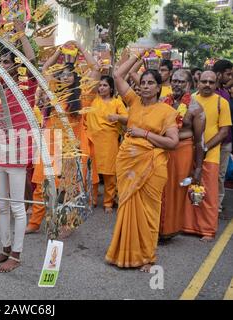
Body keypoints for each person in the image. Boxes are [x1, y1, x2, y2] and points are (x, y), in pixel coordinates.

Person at [105, 49, 179, 272]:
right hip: (128, 164)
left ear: (159, 87)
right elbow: (118, 76)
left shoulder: (167, 111)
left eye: (150, 83)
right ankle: (124, 253)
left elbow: (173, 142)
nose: (145, 86)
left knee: (148, 212)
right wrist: (137, 57)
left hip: (152, 167)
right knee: (127, 208)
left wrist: (144, 134)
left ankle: (147, 257)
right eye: (143, 82)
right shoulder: (133, 102)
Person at [25, 40, 100, 234]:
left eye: (69, 75)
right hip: (50, 147)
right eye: (62, 75)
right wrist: (59, 51)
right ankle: (34, 223)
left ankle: (68, 223)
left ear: (76, 79)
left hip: (71, 150)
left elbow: (96, 68)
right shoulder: (52, 93)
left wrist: (81, 48)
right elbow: (46, 67)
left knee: (69, 189)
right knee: (42, 186)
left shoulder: (82, 96)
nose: (65, 77)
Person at [0, 19, 38, 272]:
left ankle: (16, 254)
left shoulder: (25, 85)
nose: (3, 66)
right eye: (1, 62)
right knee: (1, 205)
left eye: (7, 62)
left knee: (16, 205)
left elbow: (31, 60)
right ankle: (4, 249)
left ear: (16, 68)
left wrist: (20, 32)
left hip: (16, 149)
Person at [182, 71, 232, 241]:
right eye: (204, 81)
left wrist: (205, 147)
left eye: (211, 82)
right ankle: (187, 226)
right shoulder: (190, 99)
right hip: (189, 153)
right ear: (198, 82)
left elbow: (224, 131)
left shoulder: (222, 102)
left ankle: (208, 230)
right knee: (188, 189)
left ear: (216, 83)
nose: (207, 85)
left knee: (208, 194)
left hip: (210, 155)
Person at [159, 69, 205, 239]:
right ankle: (155, 227)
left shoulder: (195, 108)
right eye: (174, 81)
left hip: (183, 152)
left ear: (189, 84)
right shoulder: (164, 102)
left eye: (181, 81)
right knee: (160, 187)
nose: (177, 84)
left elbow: (200, 141)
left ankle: (169, 230)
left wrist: (198, 168)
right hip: (163, 150)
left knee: (176, 190)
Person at [87, 75, 128, 214]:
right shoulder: (93, 100)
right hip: (92, 141)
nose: (101, 88)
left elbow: (127, 118)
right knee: (92, 172)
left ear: (111, 88)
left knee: (110, 174)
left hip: (109, 141)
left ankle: (108, 202)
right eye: (100, 85)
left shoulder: (117, 102)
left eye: (105, 85)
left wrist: (117, 117)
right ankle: (91, 200)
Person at [212, 60, 233, 213]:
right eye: (228, 74)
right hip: (212, 141)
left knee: (220, 175)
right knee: (209, 173)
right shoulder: (210, 92)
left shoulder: (225, 92)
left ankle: (216, 205)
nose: (230, 77)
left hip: (225, 142)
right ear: (219, 74)